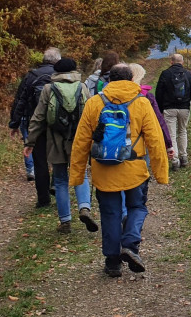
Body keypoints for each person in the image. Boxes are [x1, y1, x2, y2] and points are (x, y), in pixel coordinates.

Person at [70, 64, 169, 277]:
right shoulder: (142, 103)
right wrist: (161, 174)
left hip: (103, 172)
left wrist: (77, 175)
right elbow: (155, 141)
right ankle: (130, 245)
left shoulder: (94, 103)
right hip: (134, 170)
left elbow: (80, 143)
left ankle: (113, 262)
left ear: (109, 81)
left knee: (110, 214)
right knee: (137, 207)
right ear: (131, 79)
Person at [24, 58, 99, 234]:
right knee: (80, 175)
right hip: (79, 139)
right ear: (74, 70)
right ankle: (84, 208)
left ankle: (65, 221)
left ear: (55, 72)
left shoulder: (49, 89)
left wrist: (30, 142)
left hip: (56, 139)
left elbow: (39, 117)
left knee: (60, 179)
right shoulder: (82, 87)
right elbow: (90, 115)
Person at [9, 47, 60, 206]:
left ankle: (43, 199)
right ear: (57, 60)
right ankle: (56, 186)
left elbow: (20, 101)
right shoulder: (60, 76)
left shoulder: (31, 76)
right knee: (58, 159)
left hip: (35, 123)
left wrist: (14, 123)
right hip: (57, 125)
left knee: (39, 162)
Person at [155, 54, 191, 170]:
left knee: (171, 135)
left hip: (169, 109)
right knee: (183, 131)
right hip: (184, 108)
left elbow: (158, 93)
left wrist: (159, 110)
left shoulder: (165, 74)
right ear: (182, 62)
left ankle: (175, 161)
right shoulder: (188, 75)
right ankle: (184, 157)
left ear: (171, 62)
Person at [128, 63, 174, 163]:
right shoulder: (147, 96)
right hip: (141, 142)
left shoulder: (109, 95)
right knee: (142, 172)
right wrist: (168, 144)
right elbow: (159, 121)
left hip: (118, 140)